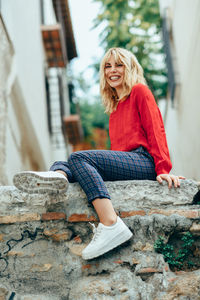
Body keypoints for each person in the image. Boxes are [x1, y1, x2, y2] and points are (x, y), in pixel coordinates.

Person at [13, 47, 185, 260]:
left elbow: (156, 129)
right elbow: (117, 155)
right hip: (128, 163)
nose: (112, 70)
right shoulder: (114, 109)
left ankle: (110, 223)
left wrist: (163, 168)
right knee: (64, 162)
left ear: (130, 68)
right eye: (107, 66)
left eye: (119, 65)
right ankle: (59, 177)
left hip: (144, 161)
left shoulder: (140, 91)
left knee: (79, 157)